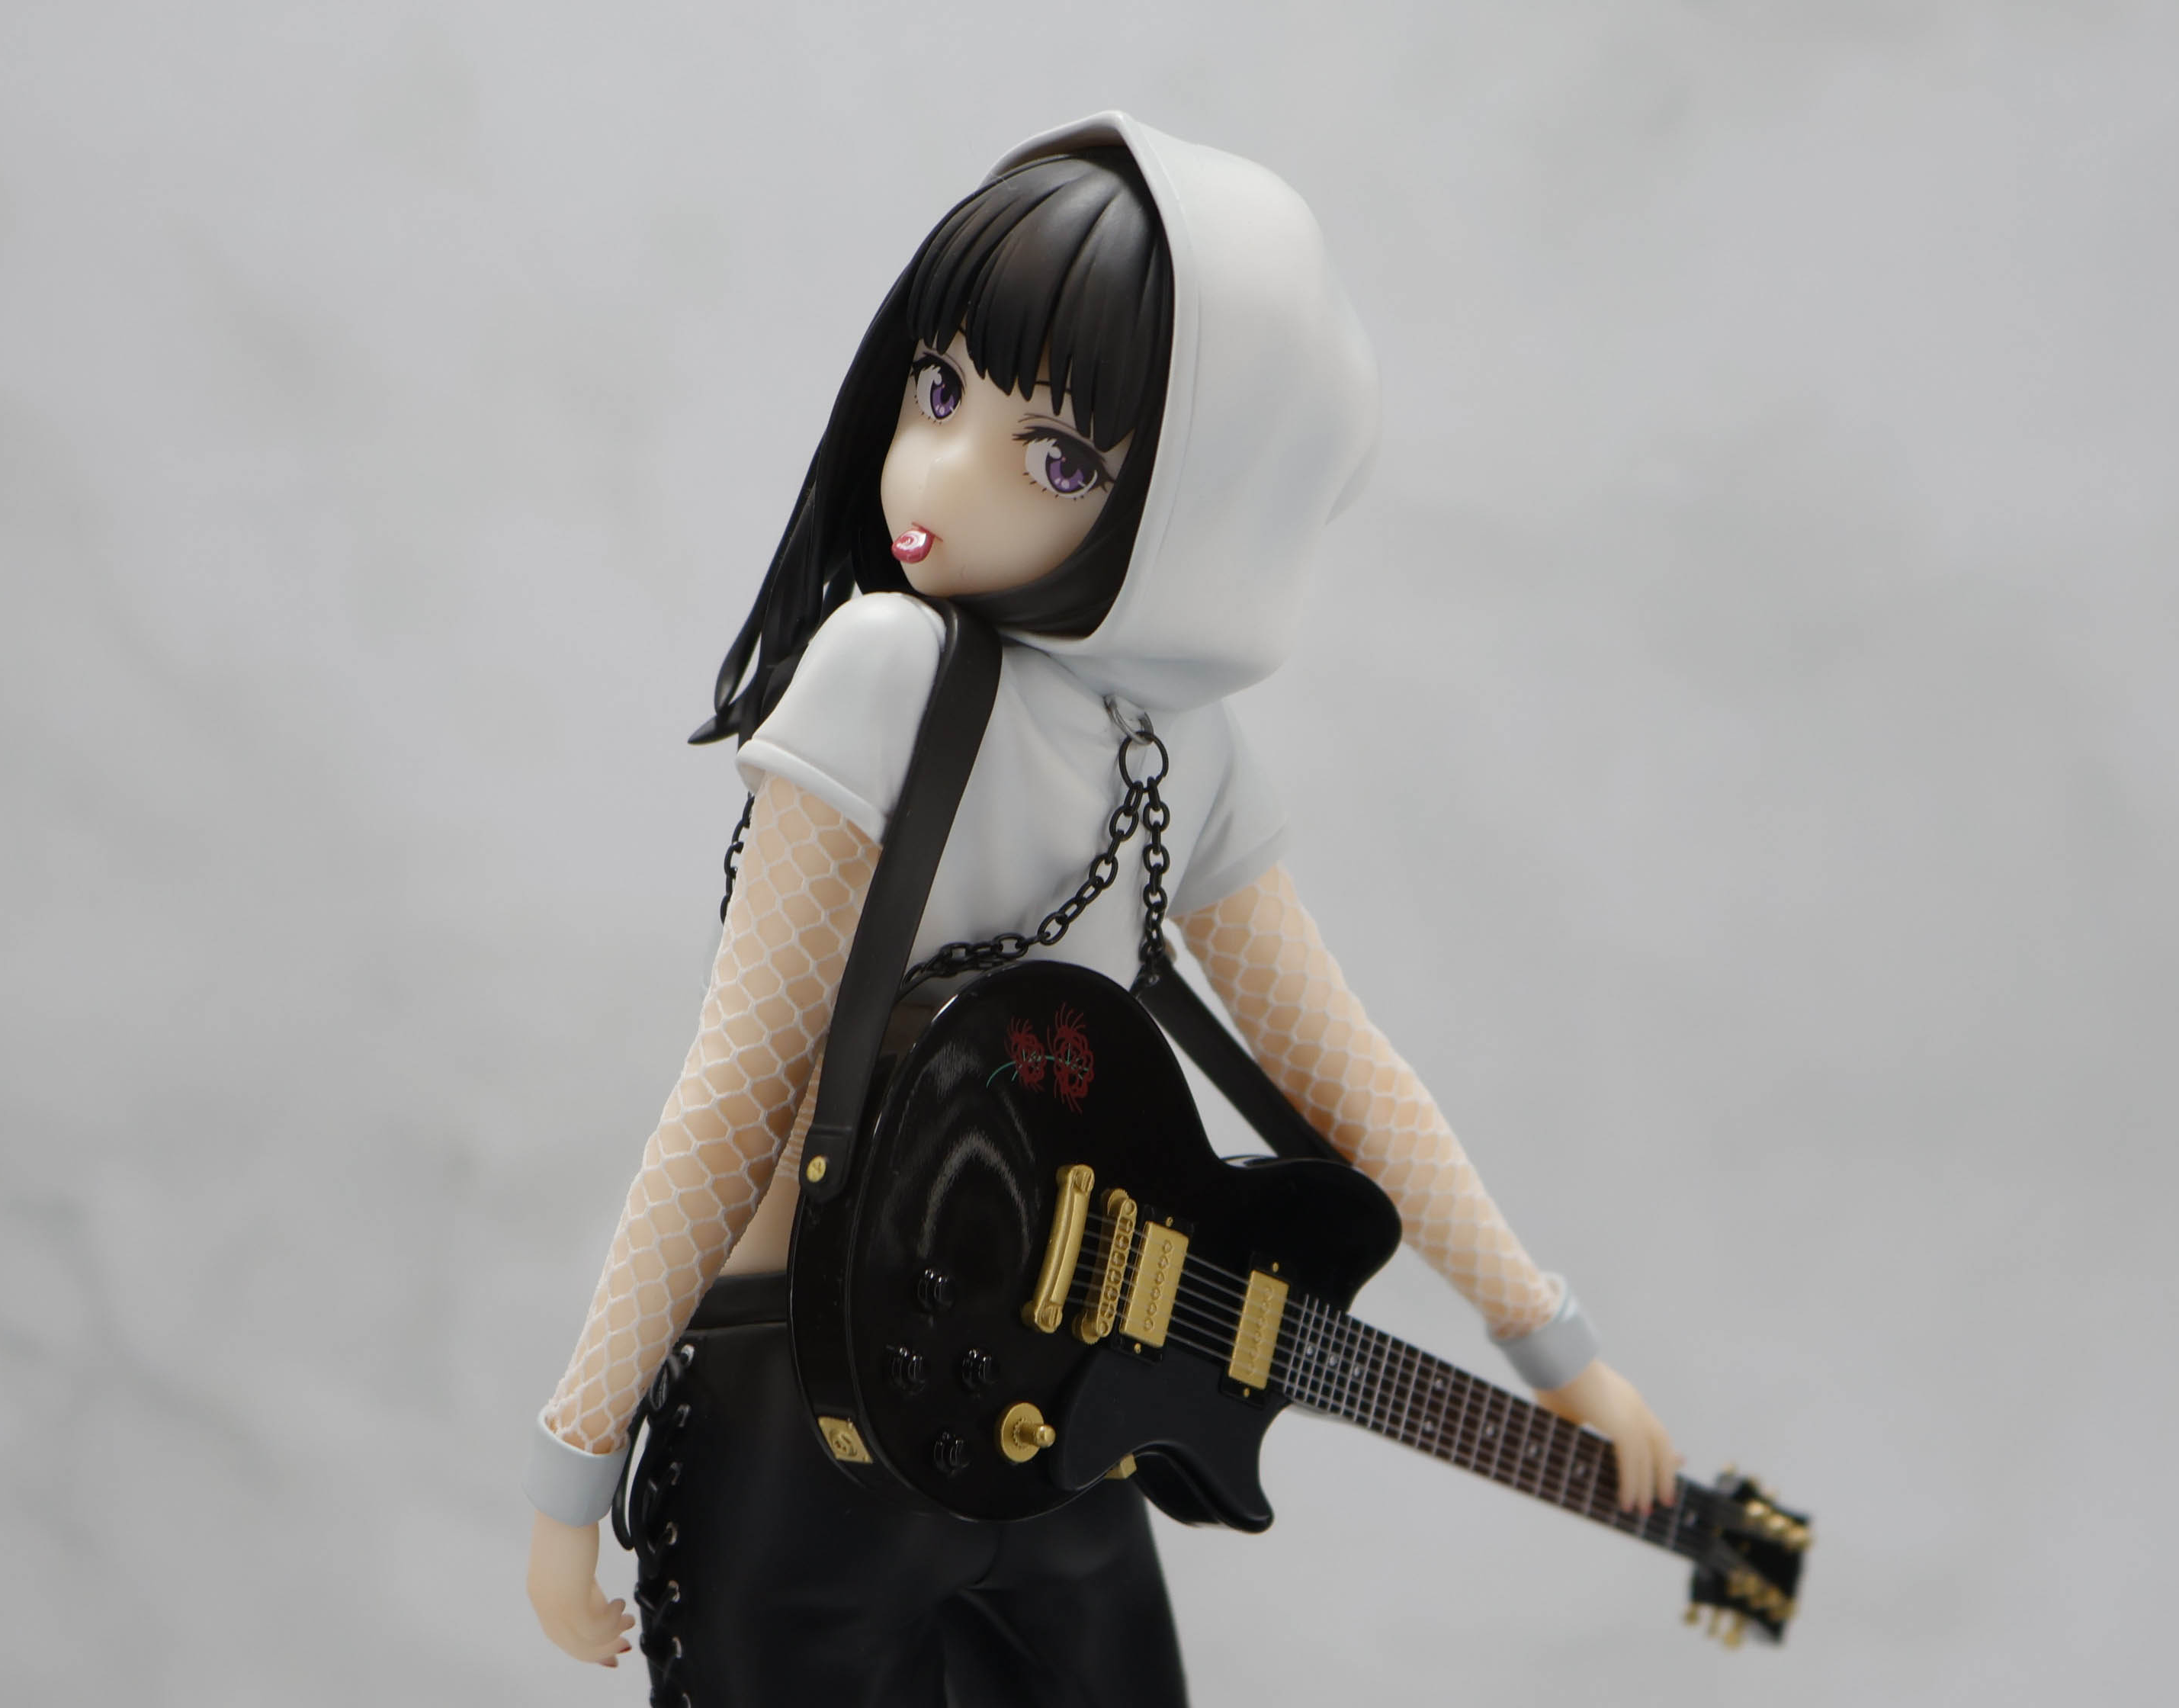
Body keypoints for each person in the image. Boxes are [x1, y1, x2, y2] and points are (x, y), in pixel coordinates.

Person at [523, 112, 1681, 1706]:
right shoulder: (889, 669)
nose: (937, 473)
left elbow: (1341, 1070)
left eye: (1056, 456)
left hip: (1048, 1421)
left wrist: (1555, 1347)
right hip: (814, 1415)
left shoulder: (1182, 747)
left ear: (1196, 507)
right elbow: (740, 1090)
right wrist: (581, 1456)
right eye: (939, 390)